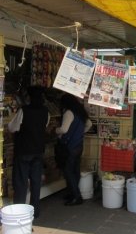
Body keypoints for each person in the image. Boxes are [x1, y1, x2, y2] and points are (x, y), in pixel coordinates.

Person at [8, 86, 50, 219]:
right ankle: (35, 211)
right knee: (36, 182)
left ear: (29, 97)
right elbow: (45, 126)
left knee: (21, 183)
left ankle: (19, 211)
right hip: (38, 151)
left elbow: (12, 127)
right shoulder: (45, 112)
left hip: (24, 151)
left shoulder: (24, 111)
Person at [56, 93, 92, 206]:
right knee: (75, 170)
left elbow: (64, 129)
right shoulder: (80, 112)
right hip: (79, 145)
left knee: (68, 171)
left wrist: (55, 130)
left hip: (69, 146)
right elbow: (89, 124)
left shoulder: (68, 113)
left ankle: (76, 196)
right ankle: (73, 193)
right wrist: (80, 133)